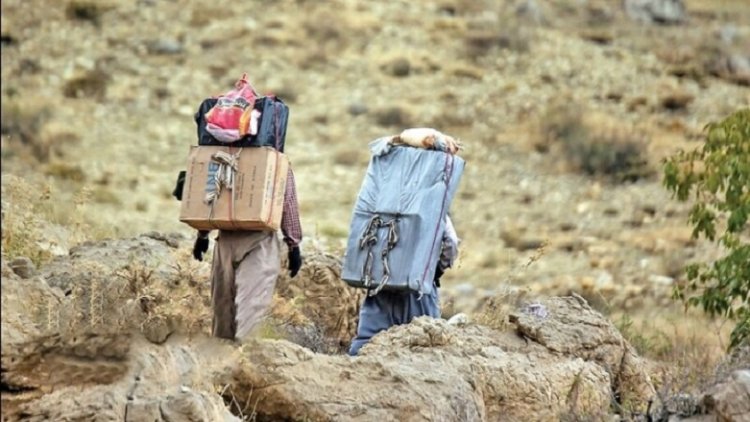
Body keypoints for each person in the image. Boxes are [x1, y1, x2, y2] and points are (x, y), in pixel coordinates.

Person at [192, 167, 303, 341]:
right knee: (249, 315)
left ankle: (232, 362)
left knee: (224, 314)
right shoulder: (272, 161)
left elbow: (210, 194)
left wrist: (203, 234)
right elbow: (287, 202)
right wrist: (293, 244)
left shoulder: (221, 157)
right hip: (258, 242)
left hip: (228, 241)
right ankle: (239, 362)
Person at [348, 214, 459, 356]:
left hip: (380, 287)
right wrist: (435, 271)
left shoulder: (380, 204)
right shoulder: (433, 205)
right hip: (419, 289)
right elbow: (451, 243)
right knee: (424, 346)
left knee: (366, 345)